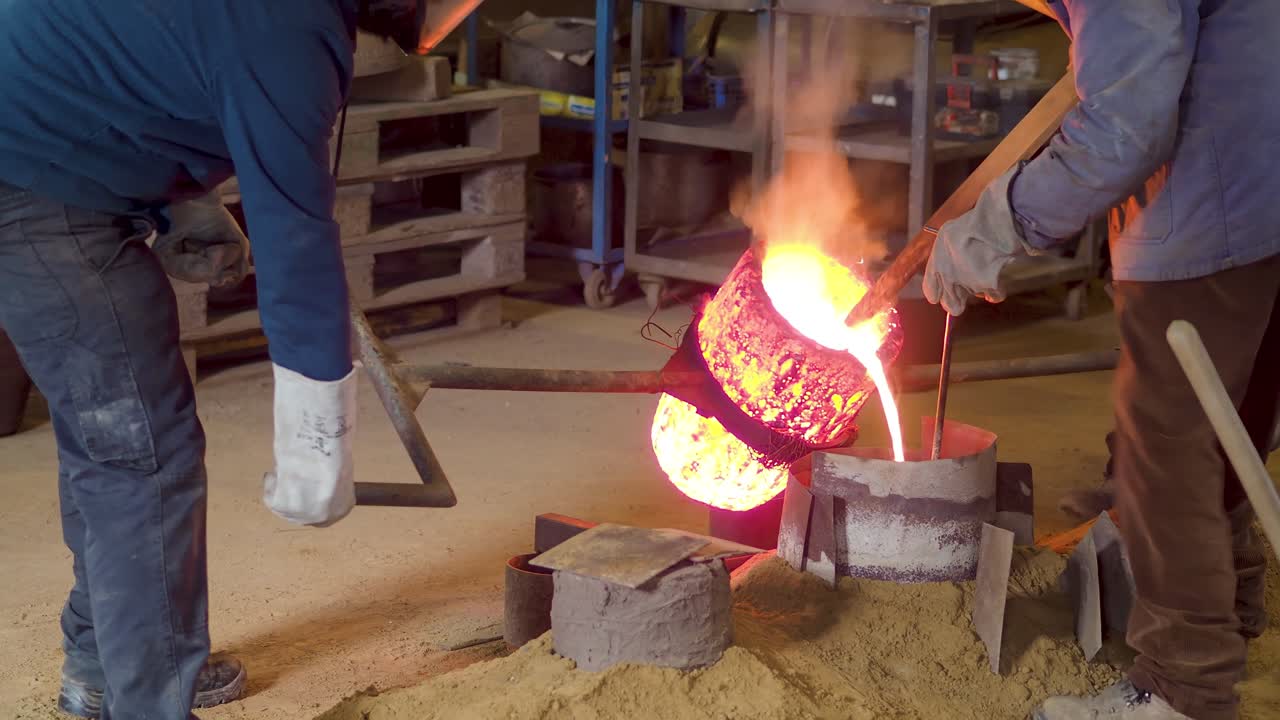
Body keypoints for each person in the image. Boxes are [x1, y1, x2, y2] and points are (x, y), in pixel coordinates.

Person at [0, 2, 429, 717]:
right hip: (26, 175)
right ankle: (147, 700)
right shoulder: (294, 28)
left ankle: (110, 662)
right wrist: (319, 436)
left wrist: (170, 198)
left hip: (39, 136)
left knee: (114, 443)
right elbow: (296, 241)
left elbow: (137, 51)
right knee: (139, 452)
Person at [922, 1, 1280, 719]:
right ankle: (1230, 608)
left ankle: (1182, 689)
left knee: (1168, 457)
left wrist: (996, 228)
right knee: (1230, 420)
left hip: (1219, 200)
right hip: (1264, 182)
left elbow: (1126, 127)